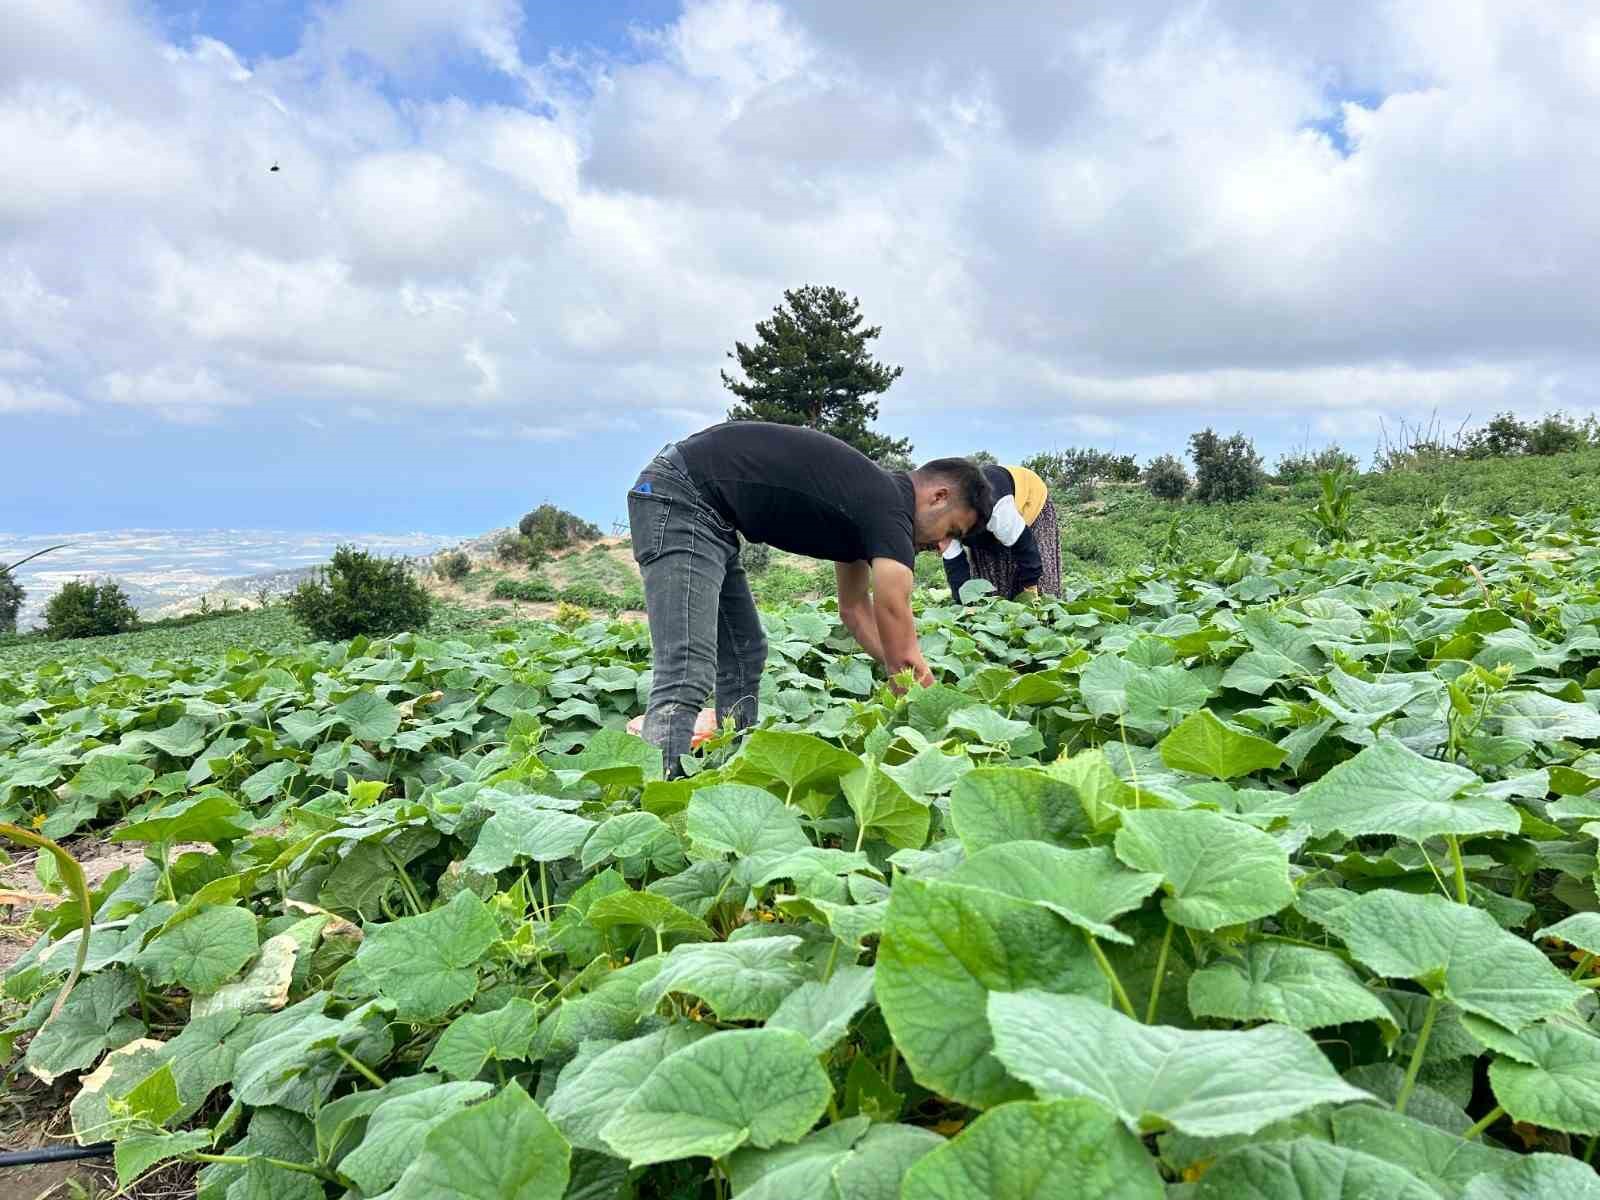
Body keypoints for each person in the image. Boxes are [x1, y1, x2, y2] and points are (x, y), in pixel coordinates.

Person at [627, 421, 993, 776]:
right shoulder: (890, 510)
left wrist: (900, 673)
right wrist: (933, 710)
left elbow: (854, 610)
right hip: (682, 497)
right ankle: (661, 798)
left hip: (707, 511)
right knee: (687, 666)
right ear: (938, 497)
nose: (943, 545)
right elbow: (898, 628)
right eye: (952, 530)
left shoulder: (868, 507)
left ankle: (729, 768)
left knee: (746, 650)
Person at [940, 463, 1062, 600]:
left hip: (1029, 500)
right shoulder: (940, 525)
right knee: (992, 588)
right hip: (984, 522)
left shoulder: (994, 505)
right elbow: (956, 569)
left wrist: (1031, 592)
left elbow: (1026, 548)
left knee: (1042, 588)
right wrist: (964, 606)